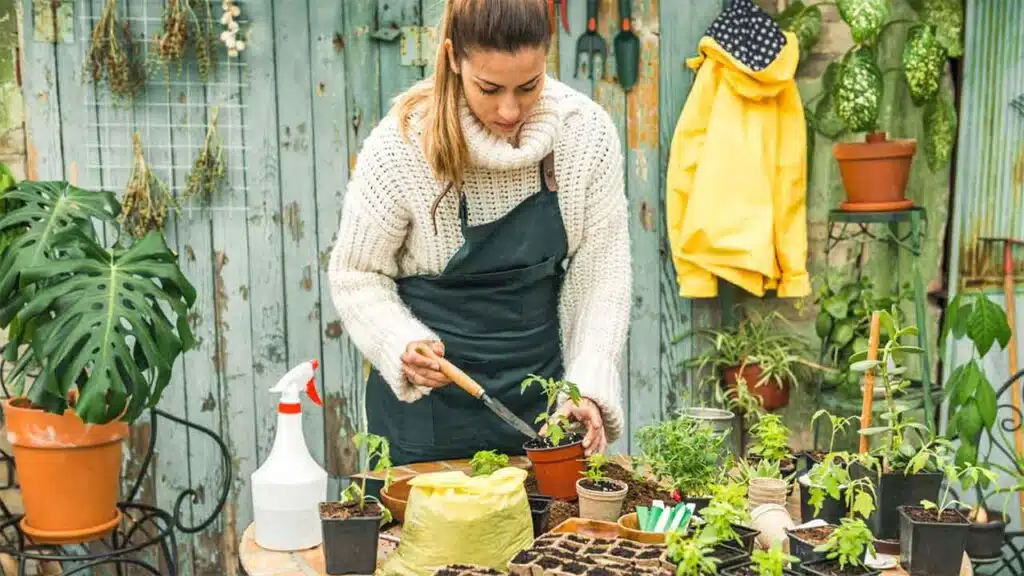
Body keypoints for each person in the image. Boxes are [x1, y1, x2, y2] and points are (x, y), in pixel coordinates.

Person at [328, 0, 631, 467]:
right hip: (427, 419)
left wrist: (584, 386)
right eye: (489, 88)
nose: (509, 110)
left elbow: (601, 272)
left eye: (528, 86)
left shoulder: (584, 134)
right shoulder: (403, 144)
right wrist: (400, 342)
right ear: (453, 58)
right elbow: (356, 273)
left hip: (542, 412)